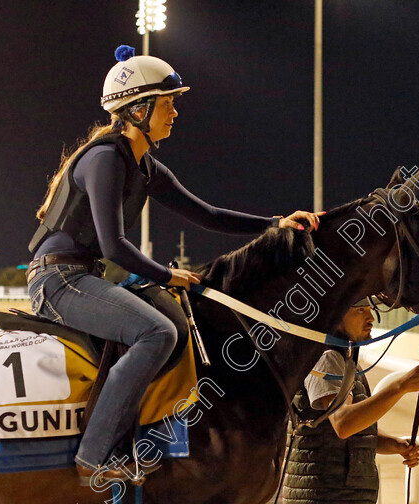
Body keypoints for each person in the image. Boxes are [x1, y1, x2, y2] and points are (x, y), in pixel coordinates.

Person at [25, 45, 323, 485]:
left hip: (84, 278)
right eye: (168, 104)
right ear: (138, 109)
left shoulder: (146, 167)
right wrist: (166, 274)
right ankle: (95, 454)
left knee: (177, 320)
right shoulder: (104, 159)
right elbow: (114, 245)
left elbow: (211, 215)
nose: (175, 113)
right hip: (57, 281)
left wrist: (278, 224)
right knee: (156, 331)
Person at [281, 298, 419, 504]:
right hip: (323, 495)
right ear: (335, 315)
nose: (370, 318)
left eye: (370, 310)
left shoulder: (345, 361)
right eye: (360, 310)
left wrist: (394, 444)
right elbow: (343, 423)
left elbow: (351, 432)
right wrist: (400, 386)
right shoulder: (326, 358)